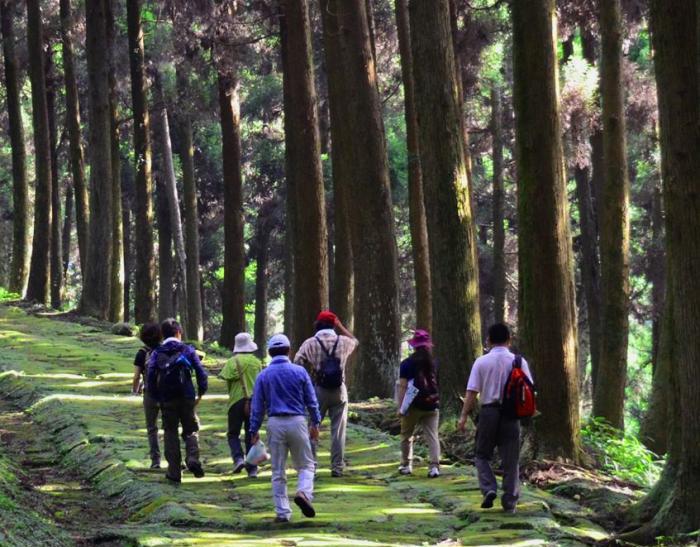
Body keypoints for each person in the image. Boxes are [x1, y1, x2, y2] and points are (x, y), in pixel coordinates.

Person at [458, 323, 534, 513]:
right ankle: (510, 502)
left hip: (488, 412)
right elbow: (530, 389)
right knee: (511, 460)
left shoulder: (481, 362)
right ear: (509, 340)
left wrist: (463, 416)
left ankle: (489, 488)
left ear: (489, 340)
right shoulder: (518, 361)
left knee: (482, 454)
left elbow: (472, 392)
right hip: (511, 415)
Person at [250, 334, 321, 523]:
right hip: (298, 421)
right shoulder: (299, 372)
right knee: (306, 465)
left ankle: (282, 512)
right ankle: (304, 492)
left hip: (275, 423)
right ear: (289, 351)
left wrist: (254, 430)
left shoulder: (263, 375)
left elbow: (257, 406)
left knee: (277, 470)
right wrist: (315, 423)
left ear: (269, 352)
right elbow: (311, 401)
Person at [294, 310, 358, 477]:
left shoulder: (310, 343)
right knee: (338, 431)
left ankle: (311, 466)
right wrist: (341, 326)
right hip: (339, 390)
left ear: (318, 324)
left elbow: (297, 362)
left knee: (313, 426)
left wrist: (308, 379)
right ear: (333, 325)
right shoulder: (343, 341)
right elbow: (355, 341)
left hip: (318, 391)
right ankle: (337, 468)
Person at [147, 318, 208, 483]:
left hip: (167, 398)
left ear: (163, 334)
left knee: (170, 432)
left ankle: (174, 472)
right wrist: (201, 391)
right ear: (179, 333)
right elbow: (201, 373)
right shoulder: (187, 349)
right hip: (187, 396)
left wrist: (156, 397)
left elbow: (151, 375)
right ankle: (193, 457)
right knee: (191, 429)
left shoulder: (157, 353)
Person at [219, 332, 264, 478]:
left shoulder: (232, 362)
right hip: (253, 402)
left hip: (236, 402)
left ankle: (238, 459)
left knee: (233, 433)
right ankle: (252, 468)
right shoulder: (256, 362)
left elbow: (225, 376)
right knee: (251, 434)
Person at [396, 329, 441, 478]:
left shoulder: (407, 363)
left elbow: (403, 386)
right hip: (432, 404)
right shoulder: (434, 362)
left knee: (406, 435)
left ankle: (406, 465)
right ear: (428, 346)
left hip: (413, 405)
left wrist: (401, 407)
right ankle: (434, 467)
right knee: (432, 435)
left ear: (414, 346)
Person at [131, 322, 163, 469]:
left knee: (152, 428)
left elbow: (137, 376)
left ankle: (155, 460)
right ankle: (176, 459)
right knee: (170, 426)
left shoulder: (142, 353)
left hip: (150, 393)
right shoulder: (165, 350)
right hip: (167, 392)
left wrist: (135, 391)